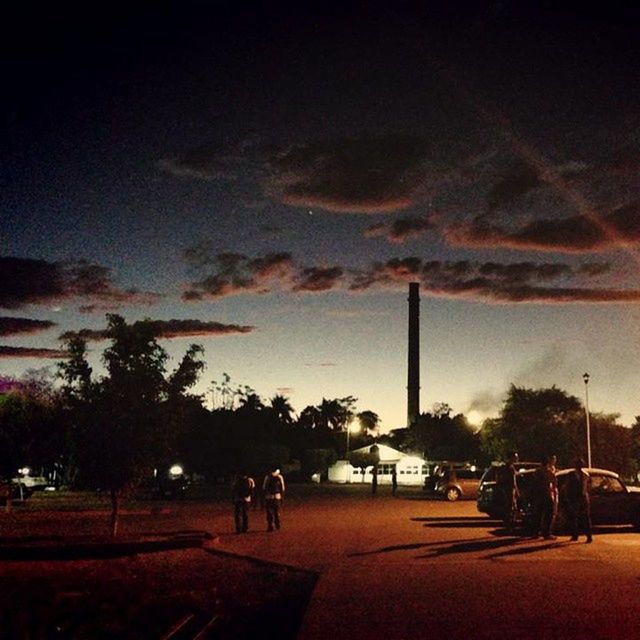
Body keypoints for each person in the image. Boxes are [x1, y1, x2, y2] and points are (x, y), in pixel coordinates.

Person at [563, 457, 593, 543]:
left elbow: (567, 486)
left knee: (576, 517)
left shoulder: (571, 474)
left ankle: (576, 535)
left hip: (576, 498)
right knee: (584, 517)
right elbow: (589, 487)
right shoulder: (586, 475)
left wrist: (567, 496)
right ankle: (587, 535)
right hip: (582, 497)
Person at [534, 454, 558, 540]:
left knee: (538, 514)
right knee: (548, 514)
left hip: (538, 495)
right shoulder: (548, 472)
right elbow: (554, 482)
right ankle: (546, 533)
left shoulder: (537, 472)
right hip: (546, 494)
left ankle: (536, 532)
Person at [497, 452, 520, 531]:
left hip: (508, 489)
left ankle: (509, 524)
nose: (517, 458)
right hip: (509, 490)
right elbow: (513, 481)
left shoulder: (508, 467)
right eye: (515, 457)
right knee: (510, 507)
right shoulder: (509, 468)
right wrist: (516, 491)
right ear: (511, 457)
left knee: (511, 507)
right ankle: (509, 525)